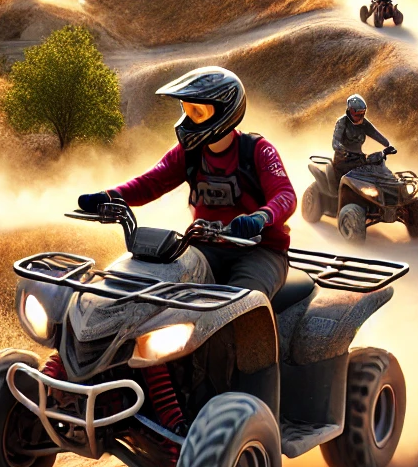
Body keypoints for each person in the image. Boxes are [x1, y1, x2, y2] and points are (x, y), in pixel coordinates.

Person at [77, 66, 295, 298]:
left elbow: (285, 195)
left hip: (260, 251)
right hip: (205, 248)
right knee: (156, 287)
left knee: (240, 303)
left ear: (225, 111)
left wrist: (260, 217)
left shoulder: (258, 150)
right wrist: (110, 197)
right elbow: (150, 182)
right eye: (187, 110)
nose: (189, 119)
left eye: (198, 112)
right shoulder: (188, 152)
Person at [330, 94, 394, 190]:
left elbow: (375, 133)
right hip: (343, 161)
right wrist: (343, 151)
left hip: (358, 159)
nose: (360, 117)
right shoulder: (342, 122)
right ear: (351, 111)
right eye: (358, 114)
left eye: (362, 113)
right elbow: (335, 142)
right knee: (345, 186)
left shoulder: (363, 122)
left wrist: (388, 145)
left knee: (376, 169)